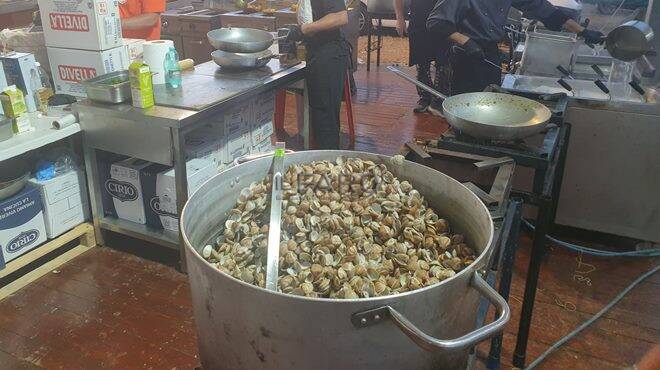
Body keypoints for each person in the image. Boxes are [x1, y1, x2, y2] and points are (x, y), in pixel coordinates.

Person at [426, 0, 606, 94]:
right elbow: (436, 22)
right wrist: (467, 42)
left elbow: (546, 11)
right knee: (466, 108)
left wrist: (582, 31)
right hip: (466, 54)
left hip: (489, 52)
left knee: (489, 101)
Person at [287, 0, 349, 149]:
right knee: (321, 117)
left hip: (329, 54)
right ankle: (325, 161)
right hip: (317, 52)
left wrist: (304, 29)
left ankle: (329, 165)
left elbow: (340, 17)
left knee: (325, 119)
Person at [394, 0, 447, 113]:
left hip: (443, 17)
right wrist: (399, 18)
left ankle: (438, 99)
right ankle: (424, 97)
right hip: (418, 17)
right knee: (421, 61)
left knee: (442, 62)